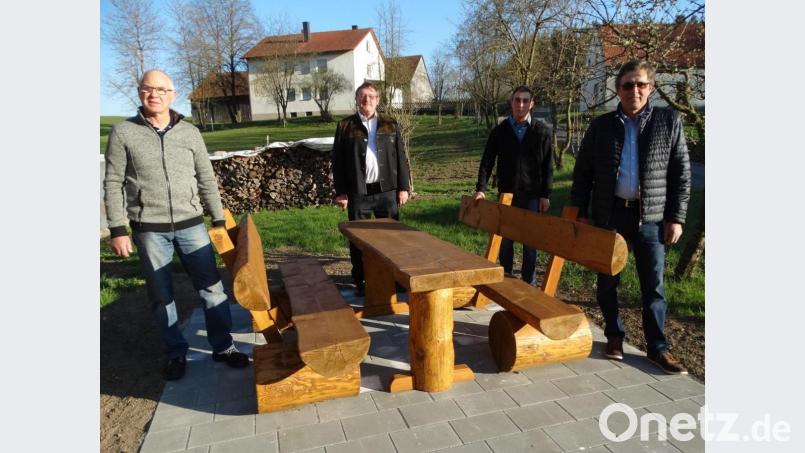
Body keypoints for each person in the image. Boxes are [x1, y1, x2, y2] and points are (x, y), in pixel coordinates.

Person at [104, 69, 249, 381]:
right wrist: (118, 229)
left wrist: (219, 218)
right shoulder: (124, 133)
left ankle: (223, 346)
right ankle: (175, 353)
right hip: (148, 228)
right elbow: (113, 182)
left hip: (192, 225)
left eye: (160, 89)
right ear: (140, 92)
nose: (153, 94)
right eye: (147, 88)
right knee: (161, 295)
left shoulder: (190, 133)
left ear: (171, 95)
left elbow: (206, 178)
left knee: (212, 289)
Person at [570, 59, 691, 374]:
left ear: (650, 87)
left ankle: (658, 348)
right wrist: (580, 212)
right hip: (610, 217)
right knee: (607, 282)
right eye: (627, 84)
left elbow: (681, 175)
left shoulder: (669, 121)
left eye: (640, 84)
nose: (634, 90)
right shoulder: (602, 125)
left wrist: (676, 218)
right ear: (617, 89)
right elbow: (583, 173)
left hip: (650, 219)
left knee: (653, 287)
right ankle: (613, 335)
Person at [331, 82, 411, 295]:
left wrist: (403, 187)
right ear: (357, 100)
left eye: (371, 96)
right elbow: (337, 162)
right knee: (359, 240)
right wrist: (341, 192)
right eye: (362, 96)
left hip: (387, 191)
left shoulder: (390, 124)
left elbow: (400, 156)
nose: (367, 100)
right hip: (358, 192)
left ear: (378, 100)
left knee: (393, 238)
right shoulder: (345, 126)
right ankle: (362, 281)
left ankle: (396, 278)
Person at [474, 85, 553, 286]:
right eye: (517, 100)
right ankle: (507, 280)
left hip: (532, 196)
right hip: (507, 195)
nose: (521, 104)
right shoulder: (500, 131)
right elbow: (487, 162)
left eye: (525, 100)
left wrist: (546, 194)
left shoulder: (541, 131)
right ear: (511, 102)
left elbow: (548, 166)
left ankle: (529, 284)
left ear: (532, 104)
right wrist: (481, 190)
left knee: (530, 243)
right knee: (506, 241)